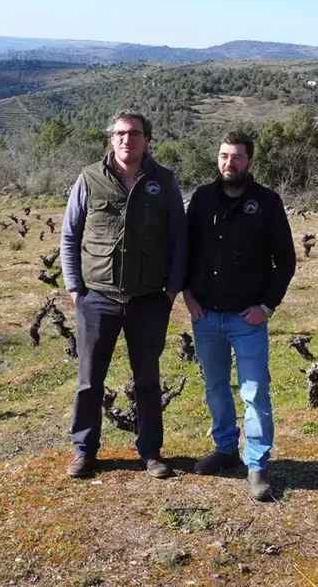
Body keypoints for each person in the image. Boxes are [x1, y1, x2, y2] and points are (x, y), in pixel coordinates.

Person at [60, 110, 186, 479]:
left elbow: (180, 239)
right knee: (89, 379)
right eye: (119, 133)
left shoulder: (164, 181)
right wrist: (74, 289)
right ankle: (84, 450)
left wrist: (171, 292)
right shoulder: (89, 178)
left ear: (146, 139)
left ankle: (151, 453)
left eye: (134, 133)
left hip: (149, 299)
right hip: (97, 298)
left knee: (147, 379)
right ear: (110, 138)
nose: (126, 139)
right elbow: (70, 235)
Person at [183, 132, 296, 501]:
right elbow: (184, 250)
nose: (228, 163)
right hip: (206, 316)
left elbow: (286, 261)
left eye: (236, 157)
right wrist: (187, 295)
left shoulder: (266, 202)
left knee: (254, 392)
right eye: (223, 156)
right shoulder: (201, 199)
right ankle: (225, 449)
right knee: (215, 387)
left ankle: (257, 464)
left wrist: (266, 307)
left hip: (247, 318)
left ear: (249, 162)